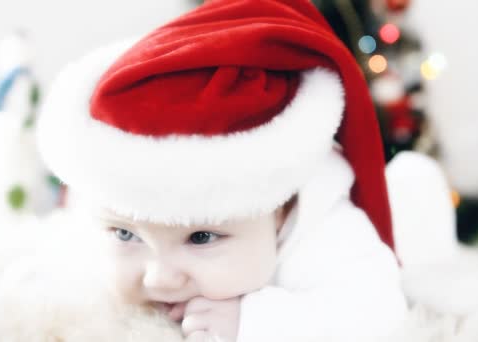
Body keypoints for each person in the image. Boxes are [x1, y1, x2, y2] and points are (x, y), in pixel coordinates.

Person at [36, 0, 408, 341]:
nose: (160, 278)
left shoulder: (325, 227)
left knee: (417, 220)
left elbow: (380, 314)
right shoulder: (108, 195)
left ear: (280, 210)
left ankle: (414, 189)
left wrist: (258, 321)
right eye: (124, 233)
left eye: (200, 237)